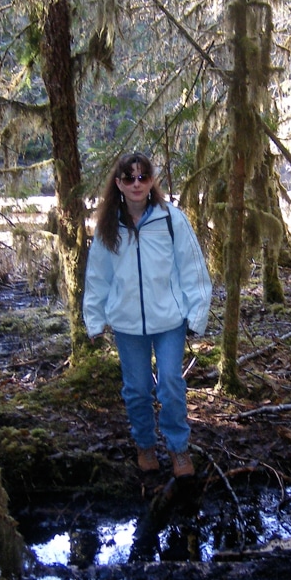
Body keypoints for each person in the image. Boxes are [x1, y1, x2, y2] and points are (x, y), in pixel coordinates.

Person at [83, 153, 212, 478]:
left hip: (170, 321)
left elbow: (193, 269)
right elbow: (97, 276)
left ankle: (178, 449)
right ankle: (145, 445)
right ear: (118, 184)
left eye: (143, 177)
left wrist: (197, 315)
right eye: (129, 178)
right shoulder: (109, 226)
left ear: (152, 181)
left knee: (170, 383)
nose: (136, 184)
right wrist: (95, 319)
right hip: (127, 324)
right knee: (137, 389)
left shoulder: (172, 219)